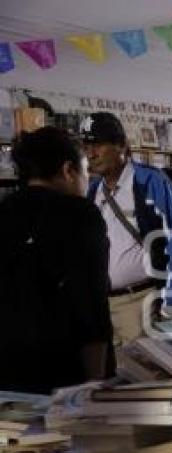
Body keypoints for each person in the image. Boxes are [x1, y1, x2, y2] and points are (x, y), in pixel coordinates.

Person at [0, 127, 111, 393]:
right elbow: (91, 302)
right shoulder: (80, 214)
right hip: (60, 362)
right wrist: (94, 384)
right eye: (85, 170)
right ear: (67, 170)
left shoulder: (4, 210)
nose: (88, 180)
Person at [82, 112, 172, 345]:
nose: (91, 153)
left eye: (99, 144)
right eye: (87, 145)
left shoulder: (150, 182)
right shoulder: (93, 191)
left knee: (146, 377)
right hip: (104, 306)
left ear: (122, 144)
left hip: (142, 303)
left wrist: (169, 304)